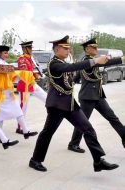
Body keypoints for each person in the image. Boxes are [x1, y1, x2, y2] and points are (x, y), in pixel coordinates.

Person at [29, 35, 119, 172]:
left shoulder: (62, 62)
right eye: (65, 48)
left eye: (69, 48)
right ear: (57, 49)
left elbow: (73, 72)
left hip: (70, 103)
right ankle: (35, 160)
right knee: (48, 133)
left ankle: (98, 160)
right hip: (57, 105)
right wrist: (95, 61)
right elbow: (72, 67)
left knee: (88, 129)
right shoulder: (54, 64)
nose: (68, 51)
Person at [68, 37, 125, 153]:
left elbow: (77, 76)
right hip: (87, 98)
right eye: (94, 47)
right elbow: (107, 62)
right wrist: (122, 59)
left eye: (96, 47)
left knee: (113, 118)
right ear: (87, 49)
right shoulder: (88, 61)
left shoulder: (90, 60)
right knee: (83, 122)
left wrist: (71, 81)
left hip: (98, 96)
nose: (96, 49)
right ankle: (73, 143)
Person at [0, 45, 38, 142]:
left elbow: (12, 76)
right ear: (0, 53)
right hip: (1, 94)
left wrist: (25, 75)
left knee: (17, 111)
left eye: (7, 53)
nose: (7, 55)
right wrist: (20, 73)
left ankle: (25, 131)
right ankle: (1, 136)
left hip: (7, 94)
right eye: (5, 53)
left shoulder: (4, 63)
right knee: (0, 116)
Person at [16, 41, 47, 134]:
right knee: (23, 108)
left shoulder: (30, 58)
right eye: (29, 48)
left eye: (31, 47)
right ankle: (20, 128)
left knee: (46, 97)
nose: (31, 49)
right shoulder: (21, 59)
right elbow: (25, 73)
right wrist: (34, 75)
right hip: (25, 85)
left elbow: (30, 71)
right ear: (24, 49)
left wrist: (37, 73)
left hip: (32, 84)